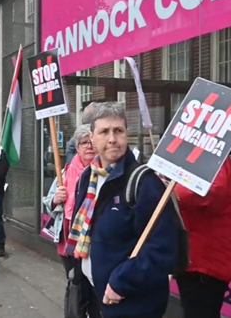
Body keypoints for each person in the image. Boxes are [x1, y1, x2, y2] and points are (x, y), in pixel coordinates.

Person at [68, 102, 178, 318]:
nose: (112, 139)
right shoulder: (87, 177)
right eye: (104, 132)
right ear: (92, 137)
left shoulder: (144, 183)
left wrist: (123, 282)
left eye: (118, 131)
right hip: (94, 298)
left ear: (127, 133)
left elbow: (163, 250)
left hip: (131, 305)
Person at [173, 157, 231, 318]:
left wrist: (173, 193)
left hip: (206, 263)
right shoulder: (192, 155)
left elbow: (212, 190)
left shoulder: (214, 155)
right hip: (192, 257)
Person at [43, 125, 95, 276]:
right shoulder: (65, 172)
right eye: (84, 143)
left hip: (89, 239)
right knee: (72, 280)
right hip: (66, 236)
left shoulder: (102, 173)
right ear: (77, 148)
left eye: (92, 142)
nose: (89, 146)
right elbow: (48, 204)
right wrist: (55, 199)